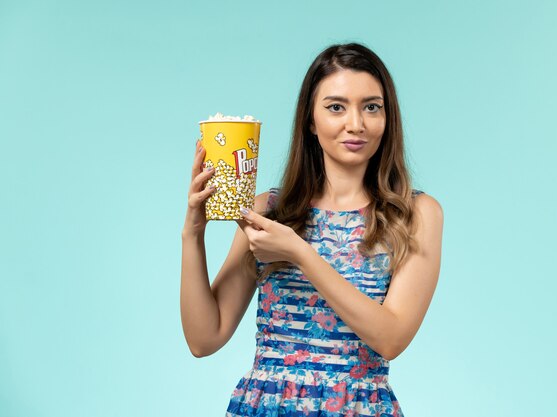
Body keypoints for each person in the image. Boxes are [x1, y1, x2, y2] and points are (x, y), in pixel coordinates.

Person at [181, 42, 444, 416]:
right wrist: (193, 232)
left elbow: (391, 338)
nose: (356, 123)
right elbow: (203, 338)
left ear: (388, 118)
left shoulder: (416, 214)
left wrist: (300, 253)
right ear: (310, 119)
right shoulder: (268, 211)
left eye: (372, 106)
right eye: (336, 107)